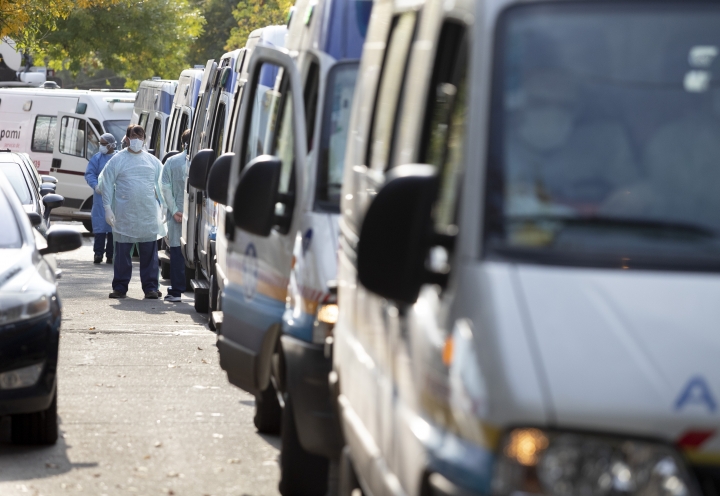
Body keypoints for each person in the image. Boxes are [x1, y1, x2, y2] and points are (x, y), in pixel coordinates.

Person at [100, 125, 167, 299]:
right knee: (122, 255)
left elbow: (163, 185)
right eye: (133, 136)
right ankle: (120, 287)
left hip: (147, 216)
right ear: (127, 138)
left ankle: (151, 287)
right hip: (125, 216)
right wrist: (107, 208)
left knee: (149, 256)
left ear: (144, 139)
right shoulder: (117, 160)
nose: (137, 140)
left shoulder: (152, 161)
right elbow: (106, 183)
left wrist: (166, 206)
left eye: (140, 136)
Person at [161, 129, 190, 302]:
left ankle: (177, 290)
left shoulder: (172, 161)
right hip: (200, 215)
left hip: (177, 214)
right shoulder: (207, 161)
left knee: (177, 251)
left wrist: (174, 210)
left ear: (182, 143)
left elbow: (164, 187)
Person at [84, 133, 118, 264]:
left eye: (103, 144)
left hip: (115, 197)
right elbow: (89, 173)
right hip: (100, 198)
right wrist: (96, 186)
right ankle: (98, 254)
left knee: (112, 229)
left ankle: (110, 255)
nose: (101, 146)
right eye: (100, 143)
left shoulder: (118, 158)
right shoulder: (97, 158)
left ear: (111, 145)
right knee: (100, 227)